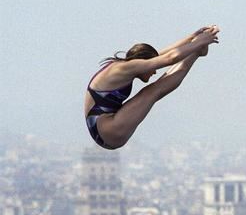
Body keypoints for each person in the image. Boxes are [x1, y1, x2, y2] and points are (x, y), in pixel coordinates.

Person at [84, 25, 220, 150]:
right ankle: (196, 53)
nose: (154, 71)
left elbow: (163, 55)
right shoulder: (124, 68)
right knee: (153, 91)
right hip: (109, 131)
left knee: (153, 90)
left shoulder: (129, 65)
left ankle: (195, 53)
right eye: (152, 68)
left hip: (106, 130)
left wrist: (192, 38)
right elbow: (170, 58)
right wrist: (200, 42)